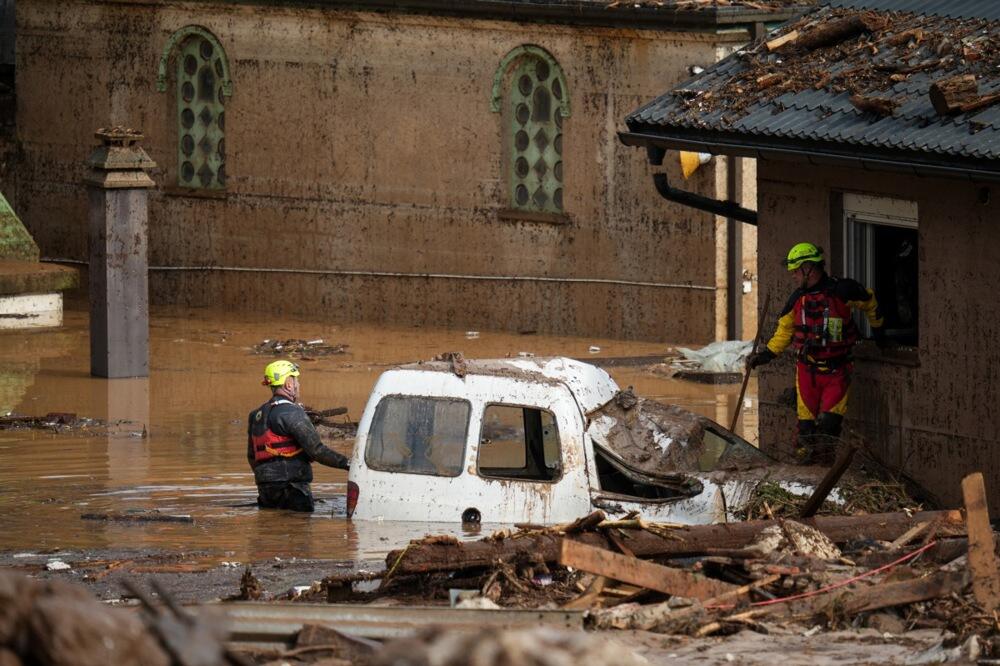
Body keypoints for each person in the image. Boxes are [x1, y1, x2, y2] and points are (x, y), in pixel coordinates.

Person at [747, 243, 885, 464]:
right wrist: (765, 355)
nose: (793, 276)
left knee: (829, 426)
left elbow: (870, 302)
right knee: (806, 431)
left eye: (795, 271)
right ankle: (803, 469)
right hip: (807, 371)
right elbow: (784, 331)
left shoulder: (843, 290)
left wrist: (879, 333)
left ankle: (825, 469)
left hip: (838, 371)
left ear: (808, 268)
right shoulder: (796, 299)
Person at [247, 360, 350, 512]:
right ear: (289, 384)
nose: (298, 384)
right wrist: (349, 464)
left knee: (270, 530)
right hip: (293, 488)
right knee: (300, 530)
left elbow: (251, 456)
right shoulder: (292, 412)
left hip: (266, 489)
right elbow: (317, 450)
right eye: (296, 380)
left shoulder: (255, 415)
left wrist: (268, 478)